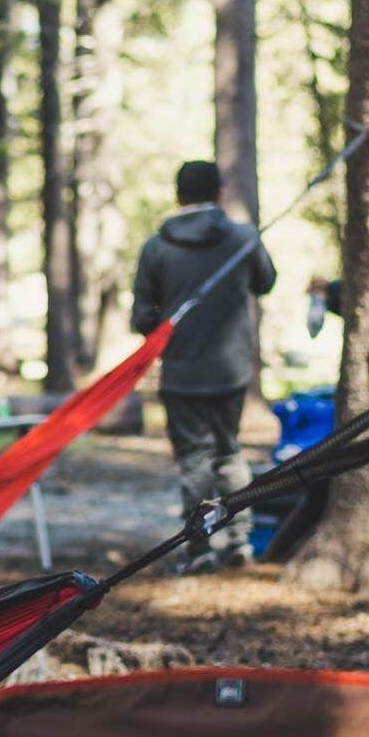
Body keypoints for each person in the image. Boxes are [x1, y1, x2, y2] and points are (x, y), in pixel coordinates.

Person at [130, 160, 277, 572]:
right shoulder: (243, 238)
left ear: (177, 196)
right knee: (230, 452)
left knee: (194, 459)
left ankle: (200, 549)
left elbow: (142, 316)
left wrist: (164, 320)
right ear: (219, 194)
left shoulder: (156, 247)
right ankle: (240, 541)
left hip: (181, 372)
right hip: (231, 370)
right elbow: (265, 282)